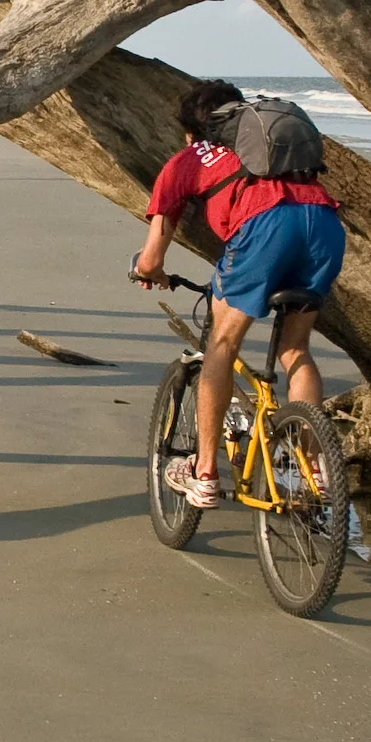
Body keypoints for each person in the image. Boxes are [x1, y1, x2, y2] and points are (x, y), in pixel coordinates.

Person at [130, 79, 344, 507]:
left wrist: (145, 270)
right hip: (323, 223)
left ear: (192, 131)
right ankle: (315, 472)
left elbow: (153, 257)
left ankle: (204, 472)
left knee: (222, 346)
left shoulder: (189, 158)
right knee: (296, 349)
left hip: (266, 229)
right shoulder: (269, 150)